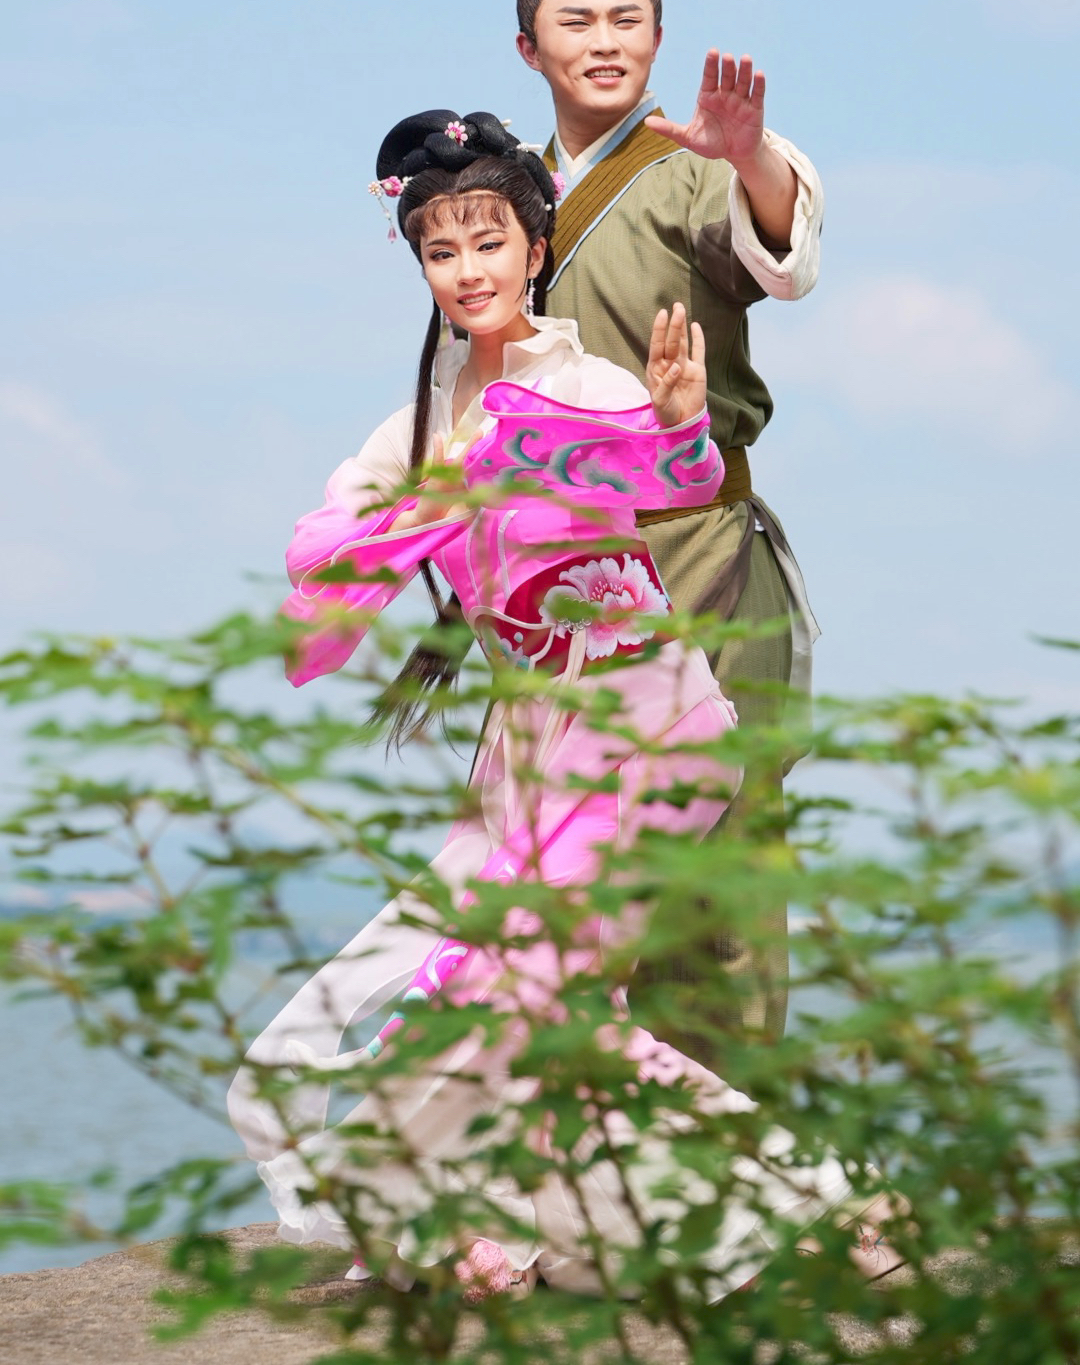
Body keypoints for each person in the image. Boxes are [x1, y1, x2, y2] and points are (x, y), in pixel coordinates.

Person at [227, 111, 863, 1302]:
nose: (468, 272)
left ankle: (819, 1199)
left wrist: (678, 422)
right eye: (441, 251)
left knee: (531, 996)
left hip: (641, 726)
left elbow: (667, 474)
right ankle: (525, 1225)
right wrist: (411, 510)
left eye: (490, 243)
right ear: (420, 263)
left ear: (535, 246)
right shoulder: (422, 416)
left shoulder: (580, 379)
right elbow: (328, 541)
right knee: (432, 1014)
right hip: (531, 746)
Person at [515, 0, 824, 1047]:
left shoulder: (693, 165)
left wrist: (748, 156)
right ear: (530, 48)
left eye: (627, 18)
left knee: (724, 837)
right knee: (563, 844)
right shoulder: (509, 192)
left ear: (655, 36)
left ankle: (731, 1138)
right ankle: (585, 1137)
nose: (604, 39)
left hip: (689, 532)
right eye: (577, 19)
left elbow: (780, 256)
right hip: (551, 555)